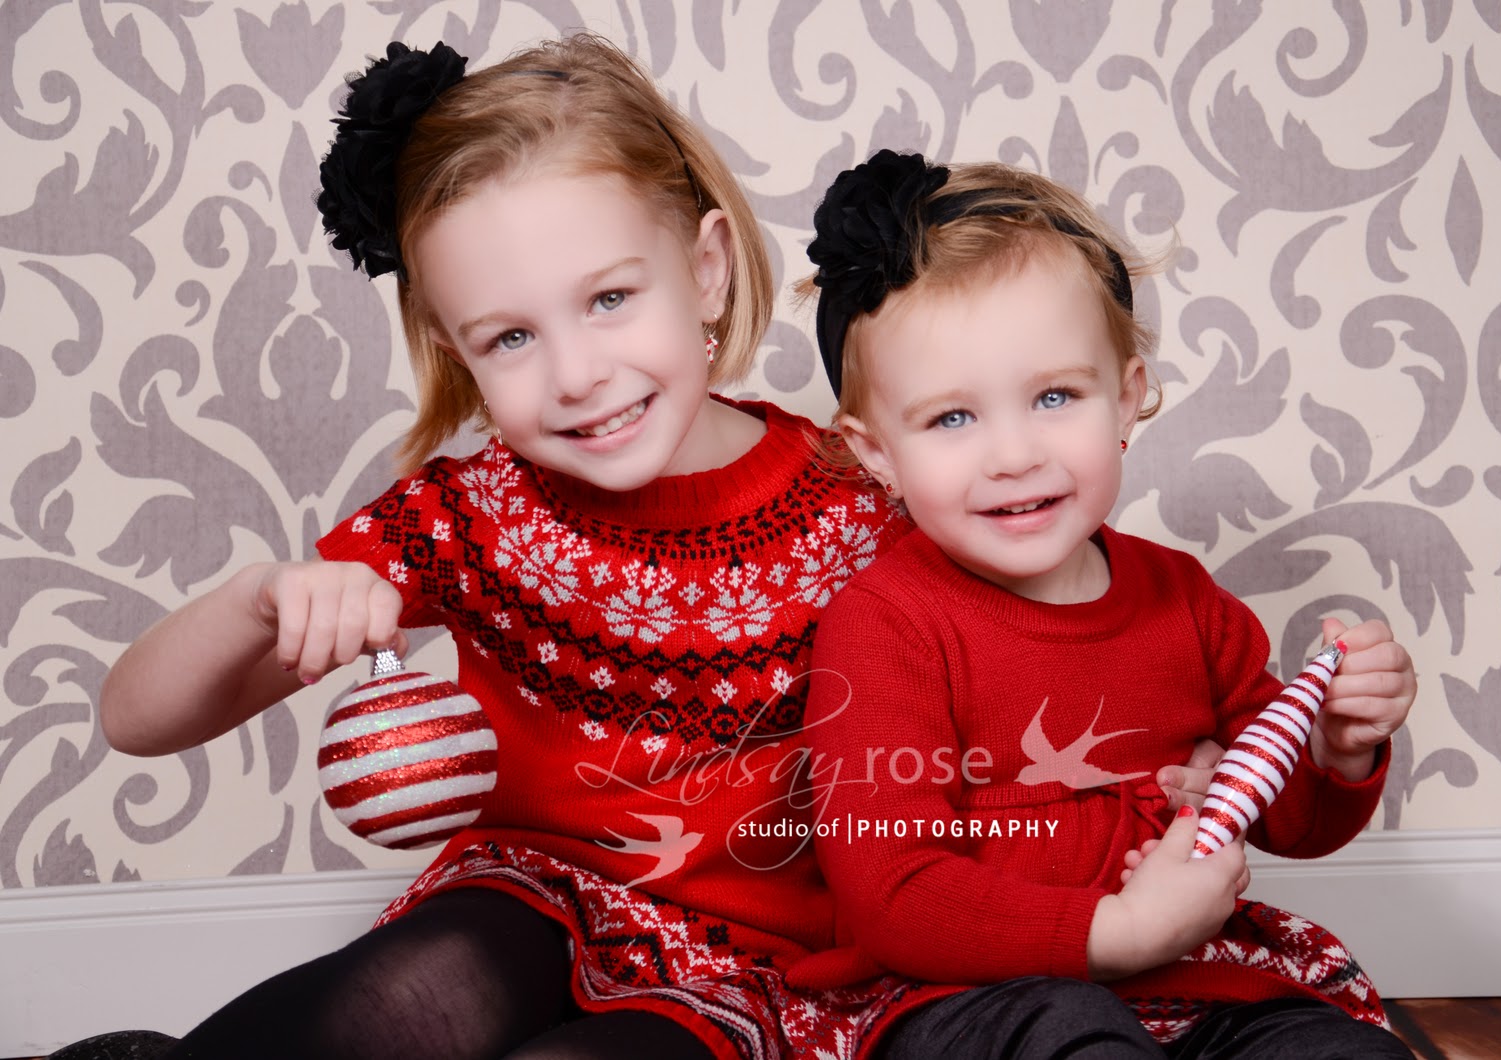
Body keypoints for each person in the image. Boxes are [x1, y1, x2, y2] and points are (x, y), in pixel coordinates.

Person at [74, 35, 937, 1060]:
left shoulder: (865, 505)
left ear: (705, 271)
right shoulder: (473, 514)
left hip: (764, 968)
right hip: (534, 899)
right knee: (383, 1005)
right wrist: (260, 598)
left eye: (609, 299)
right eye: (510, 338)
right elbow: (134, 718)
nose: (574, 375)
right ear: (458, 351)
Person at [786, 150, 1419, 1059]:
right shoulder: (887, 626)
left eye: (1054, 396)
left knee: (1338, 1051)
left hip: (1191, 979)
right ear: (877, 451)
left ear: (1125, 400)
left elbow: (1289, 818)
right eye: (953, 418)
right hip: (972, 997)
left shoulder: (1185, 601)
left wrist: (1337, 745)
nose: (1015, 456)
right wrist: (1115, 933)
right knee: (1072, 1038)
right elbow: (894, 892)